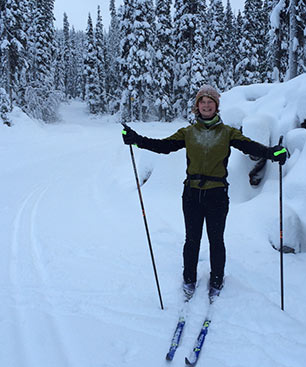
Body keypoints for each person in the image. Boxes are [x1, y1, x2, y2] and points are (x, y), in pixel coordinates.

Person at [122, 84, 287, 300]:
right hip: (191, 194)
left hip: (217, 195)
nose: (206, 105)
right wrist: (137, 140)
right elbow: (164, 146)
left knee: (216, 240)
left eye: (210, 102)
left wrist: (271, 153)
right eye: (202, 102)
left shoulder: (228, 133)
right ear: (197, 106)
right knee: (192, 239)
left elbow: (249, 147)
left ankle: (217, 279)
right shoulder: (188, 132)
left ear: (216, 106)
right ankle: (188, 278)